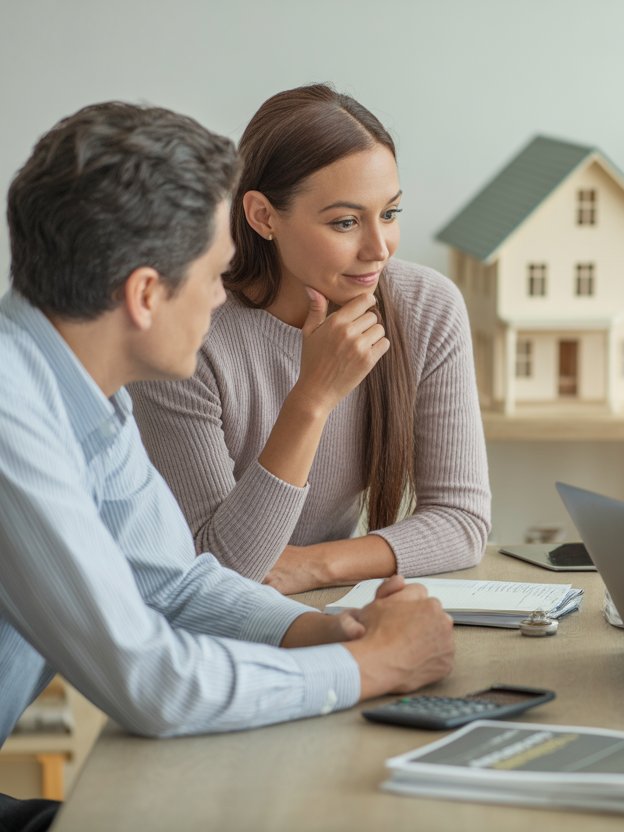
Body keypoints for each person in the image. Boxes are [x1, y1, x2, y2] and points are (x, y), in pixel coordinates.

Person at [0, 101, 455, 831]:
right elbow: (150, 681)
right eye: (215, 275)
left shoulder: (83, 394)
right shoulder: (10, 416)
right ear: (145, 294)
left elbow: (173, 582)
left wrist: (328, 631)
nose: (222, 299)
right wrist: (372, 670)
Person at [129, 85, 491, 595]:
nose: (378, 248)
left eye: (389, 214)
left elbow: (462, 523)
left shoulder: (425, 308)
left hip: (327, 605)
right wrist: (313, 397)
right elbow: (220, 571)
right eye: (345, 222)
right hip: (195, 630)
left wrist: (318, 565)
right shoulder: (188, 334)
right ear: (263, 217)